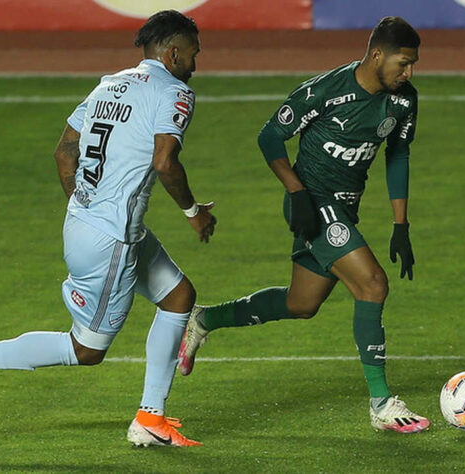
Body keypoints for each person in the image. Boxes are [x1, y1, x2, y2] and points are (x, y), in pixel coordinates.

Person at [0, 10, 216, 447]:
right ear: (173, 53)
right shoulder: (174, 92)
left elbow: (65, 151)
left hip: (96, 225)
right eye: (193, 55)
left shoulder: (108, 84)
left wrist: (86, 207)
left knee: (179, 297)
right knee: (86, 351)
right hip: (110, 240)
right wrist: (194, 212)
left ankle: (150, 418)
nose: (195, 65)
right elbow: (164, 161)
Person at [178, 16, 429, 433]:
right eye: (403, 63)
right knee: (372, 284)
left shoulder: (404, 101)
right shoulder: (327, 90)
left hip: (344, 210)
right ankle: (381, 403)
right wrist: (295, 191)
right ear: (376, 55)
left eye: (413, 65)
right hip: (312, 203)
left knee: (302, 304)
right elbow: (270, 136)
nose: (409, 73)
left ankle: (204, 320)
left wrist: (399, 225)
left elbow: (398, 156)